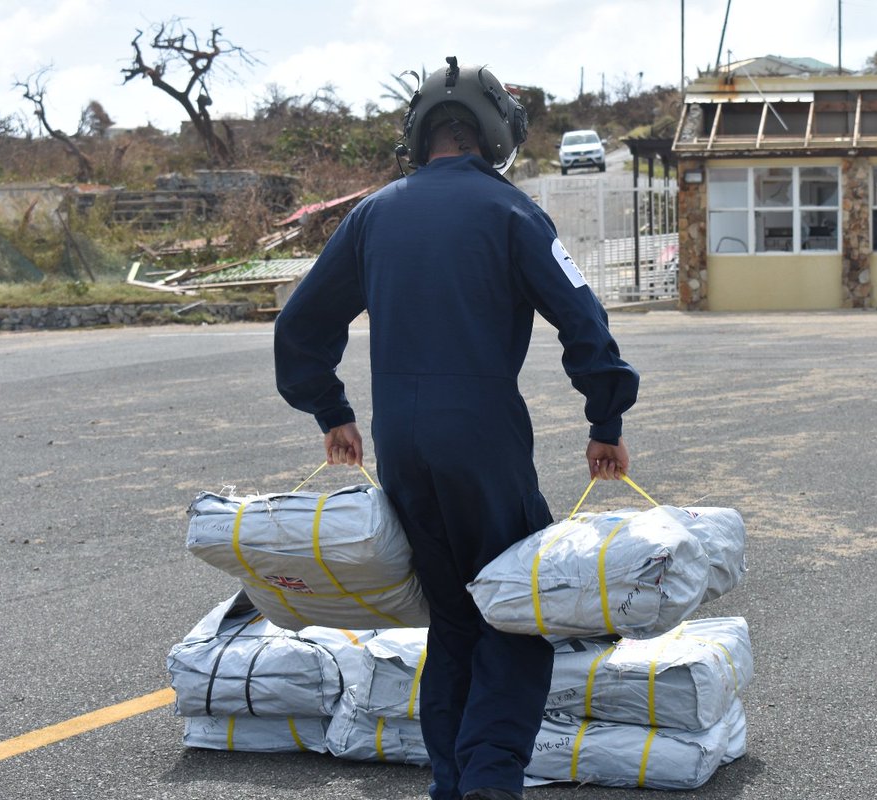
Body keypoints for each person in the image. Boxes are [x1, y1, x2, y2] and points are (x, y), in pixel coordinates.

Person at [273, 57, 639, 800]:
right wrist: (605, 416)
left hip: (401, 445)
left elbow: (299, 326)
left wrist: (332, 411)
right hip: (481, 437)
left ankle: (452, 783)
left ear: (419, 132)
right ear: (495, 129)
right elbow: (582, 316)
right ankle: (490, 783)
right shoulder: (512, 212)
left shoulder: (373, 215)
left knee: (454, 619)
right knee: (515, 612)